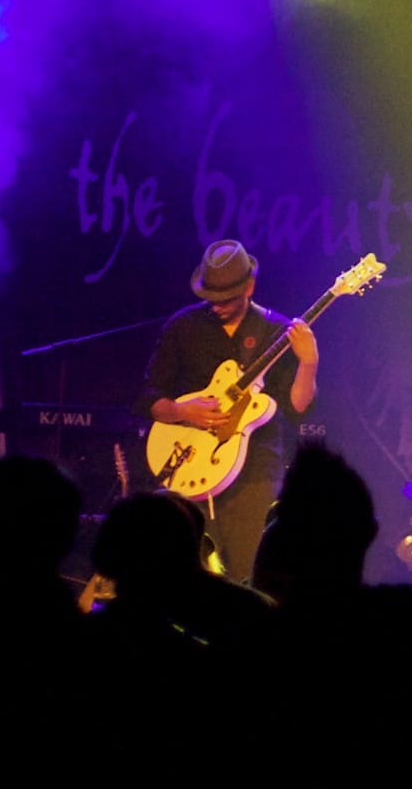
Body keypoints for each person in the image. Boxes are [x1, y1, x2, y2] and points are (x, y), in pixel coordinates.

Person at [132, 239, 318, 584]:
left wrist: (309, 362)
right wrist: (182, 411)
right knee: (181, 577)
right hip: (188, 467)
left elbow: (297, 406)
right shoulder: (183, 327)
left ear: (249, 287)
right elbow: (147, 397)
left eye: (226, 298)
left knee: (251, 578)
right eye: (210, 298)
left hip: (255, 474)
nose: (216, 306)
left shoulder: (275, 331)